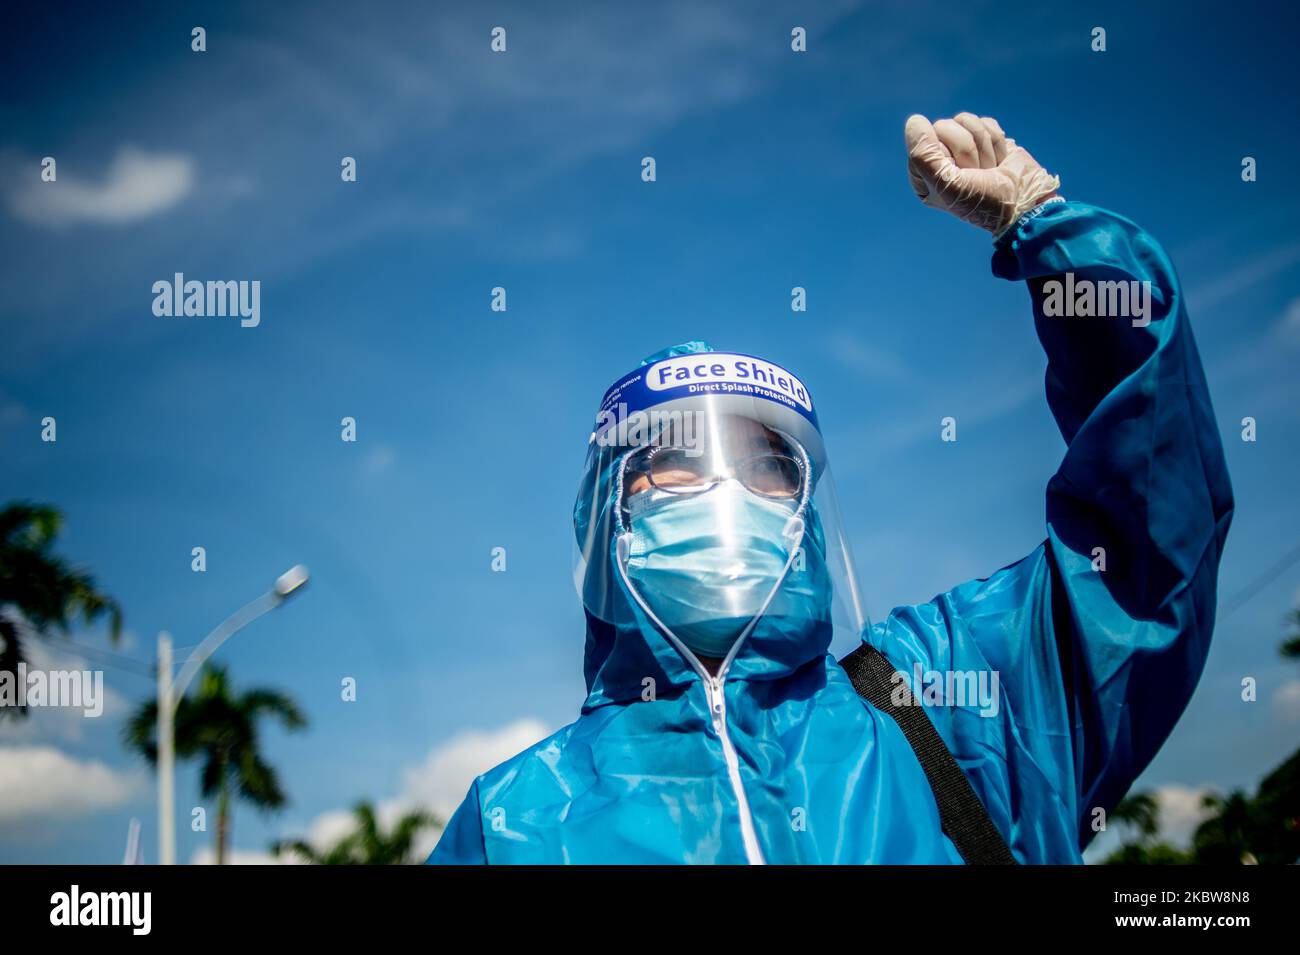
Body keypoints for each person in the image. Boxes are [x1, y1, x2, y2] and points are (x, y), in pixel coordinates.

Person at [428, 113, 1234, 864]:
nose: (723, 484)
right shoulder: (512, 820)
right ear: (610, 520)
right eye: (674, 458)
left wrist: (1056, 236)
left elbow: (1148, 548)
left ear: (806, 518)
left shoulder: (945, 707)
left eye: (770, 464)